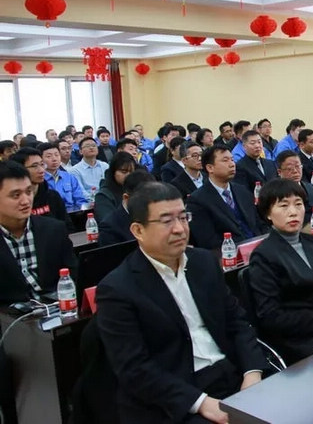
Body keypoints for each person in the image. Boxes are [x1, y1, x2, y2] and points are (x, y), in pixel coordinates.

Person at [95, 182, 265, 424]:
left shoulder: (204, 262)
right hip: (176, 397)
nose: (179, 229)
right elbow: (134, 369)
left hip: (232, 373)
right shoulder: (117, 289)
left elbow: (237, 322)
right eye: (166, 221)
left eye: (183, 218)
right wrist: (201, 402)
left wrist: (252, 373)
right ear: (138, 230)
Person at [247, 179, 313, 365]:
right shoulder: (264, 256)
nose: (293, 212)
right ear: (268, 214)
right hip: (300, 342)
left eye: (298, 204)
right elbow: (272, 318)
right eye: (283, 206)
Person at [0, 161, 76, 303]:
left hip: (56, 308)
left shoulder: (54, 229)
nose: (26, 201)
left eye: (29, 192)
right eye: (16, 195)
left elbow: (74, 276)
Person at [187, 145, 266, 249]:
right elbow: (208, 241)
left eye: (232, 159)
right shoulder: (197, 200)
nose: (232, 164)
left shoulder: (242, 191)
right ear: (210, 168)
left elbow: (259, 224)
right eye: (225, 160)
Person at [10, 148, 70, 229]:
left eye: (42, 164)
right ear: (20, 169)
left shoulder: (53, 196)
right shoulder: (16, 202)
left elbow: (67, 226)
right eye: (34, 166)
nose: (42, 170)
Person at [98, 170, 155, 246]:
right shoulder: (110, 227)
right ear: (126, 198)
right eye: (144, 200)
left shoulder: (157, 216)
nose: (149, 203)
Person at [275, 150, 313, 228]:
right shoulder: (275, 193)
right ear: (279, 172)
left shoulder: (311, 188)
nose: (295, 171)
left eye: (298, 167)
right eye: (289, 169)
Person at [39, 142, 87, 210]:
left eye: (56, 155)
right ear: (40, 160)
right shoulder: (39, 179)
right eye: (49, 156)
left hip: (73, 213)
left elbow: (80, 200)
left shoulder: (69, 177)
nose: (54, 159)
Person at [94, 152, 138, 223]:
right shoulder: (103, 196)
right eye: (124, 171)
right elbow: (108, 222)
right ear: (113, 172)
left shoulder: (136, 190)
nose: (128, 175)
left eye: (131, 172)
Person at [233, 130, 278, 194]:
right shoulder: (240, 166)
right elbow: (243, 191)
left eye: (259, 142)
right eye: (252, 143)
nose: (257, 146)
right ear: (244, 146)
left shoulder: (270, 163)